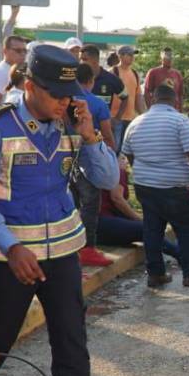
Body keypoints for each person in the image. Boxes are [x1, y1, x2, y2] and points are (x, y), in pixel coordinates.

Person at [0, 44, 118, 376]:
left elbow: (106, 179)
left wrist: (90, 138)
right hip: (11, 256)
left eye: (70, 96)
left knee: (72, 345)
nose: (66, 103)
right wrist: (11, 247)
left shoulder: (71, 122)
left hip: (64, 252)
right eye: (56, 96)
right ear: (30, 86)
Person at [122, 84, 189, 288]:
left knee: (152, 230)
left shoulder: (137, 122)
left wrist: (143, 170)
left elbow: (128, 152)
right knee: (187, 229)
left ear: (153, 99)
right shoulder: (180, 121)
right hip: (175, 187)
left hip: (145, 186)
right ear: (175, 101)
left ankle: (156, 274)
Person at [97, 155, 189, 260]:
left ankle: (184, 251)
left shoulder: (104, 170)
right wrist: (138, 219)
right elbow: (117, 199)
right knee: (148, 229)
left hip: (99, 225)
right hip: (102, 223)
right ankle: (182, 254)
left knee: (149, 228)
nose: (126, 162)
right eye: (123, 159)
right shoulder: (118, 171)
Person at [71, 63, 117, 269]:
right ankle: (88, 249)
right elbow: (108, 136)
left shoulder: (65, 100)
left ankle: (71, 248)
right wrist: (110, 157)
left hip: (65, 156)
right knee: (90, 204)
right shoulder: (96, 103)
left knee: (70, 203)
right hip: (90, 156)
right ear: (91, 81)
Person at [111, 44, 145, 151]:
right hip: (115, 118)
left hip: (130, 118)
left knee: (126, 151)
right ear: (120, 56)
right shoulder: (113, 72)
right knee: (115, 148)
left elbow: (137, 96)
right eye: (129, 55)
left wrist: (143, 116)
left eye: (133, 55)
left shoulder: (134, 74)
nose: (132, 57)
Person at [81, 44, 126, 121]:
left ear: (95, 60)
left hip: (103, 128)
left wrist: (117, 118)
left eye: (84, 59)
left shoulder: (111, 79)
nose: (81, 62)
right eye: (80, 59)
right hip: (82, 127)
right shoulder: (78, 79)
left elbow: (125, 97)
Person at [0, 35, 28, 108]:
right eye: (18, 51)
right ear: (5, 51)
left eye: (25, 51)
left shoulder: (23, 70)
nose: (23, 54)